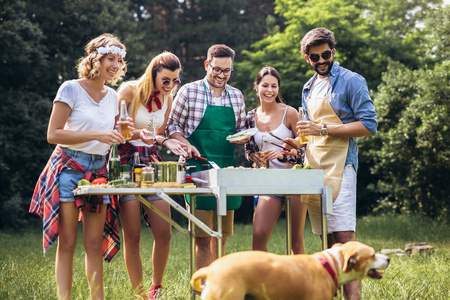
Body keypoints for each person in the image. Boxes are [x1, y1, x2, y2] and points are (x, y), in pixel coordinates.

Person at [29, 33, 130, 300]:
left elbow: (114, 134)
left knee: (94, 244)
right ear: (95, 58)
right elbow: (53, 135)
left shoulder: (112, 96)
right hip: (69, 169)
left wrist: (126, 132)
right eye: (111, 58)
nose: (116, 65)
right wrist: (97, 134)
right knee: (69, 242)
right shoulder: (70, 88)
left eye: (119, 60)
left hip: (99, 172)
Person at [284, 28, 377, 300]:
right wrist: (294, 145)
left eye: (326, 54)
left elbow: (369, 125)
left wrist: (322, 129)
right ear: (306, 58)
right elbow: (307, 133)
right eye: (315, 57)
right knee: (326, 239)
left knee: (345, 236)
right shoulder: (308, 87)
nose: (322, 60)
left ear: (333, 52)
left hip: (341, 164)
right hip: (315, 165)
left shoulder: (352, 81)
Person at [166, 44, 247, 270]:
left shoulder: (237, 96)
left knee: (221, 236)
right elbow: (171, 126)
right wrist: (186, 144)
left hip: (226, 171)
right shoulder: (188, 91)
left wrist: (243, 139)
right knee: (202, 237)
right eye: (217, 69)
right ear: (206, 65)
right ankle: (204, 289)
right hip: (197, 172)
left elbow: (241, 129)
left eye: (227, 70)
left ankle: (218, 288)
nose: (222, 75)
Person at [116, 51, 188, 299]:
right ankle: (139, 295)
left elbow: (155, 134)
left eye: (175, 80)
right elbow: (114, 130)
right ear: (153, 74)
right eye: (165, 80)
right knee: (133, 235)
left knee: (164, 232)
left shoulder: (168, 99)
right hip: (124, 162)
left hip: (150, 163)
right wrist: (138, 135)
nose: (170, 86)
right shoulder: (129, 91)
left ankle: (155, 288)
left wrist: (165, 142)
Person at [244, 66, 307, 254]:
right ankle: (263, 283)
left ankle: (301, 283)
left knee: (295, 241)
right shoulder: (250, 117)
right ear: (256, 87)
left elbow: (306, 151)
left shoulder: (290, 113)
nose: (269, 90)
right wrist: (252, 156)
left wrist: (283, 155)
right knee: (259, 236)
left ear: (278, 88)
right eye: (265, 85)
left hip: (295, 182)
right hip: (268, 183)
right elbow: (248, 147)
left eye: (274, 86)